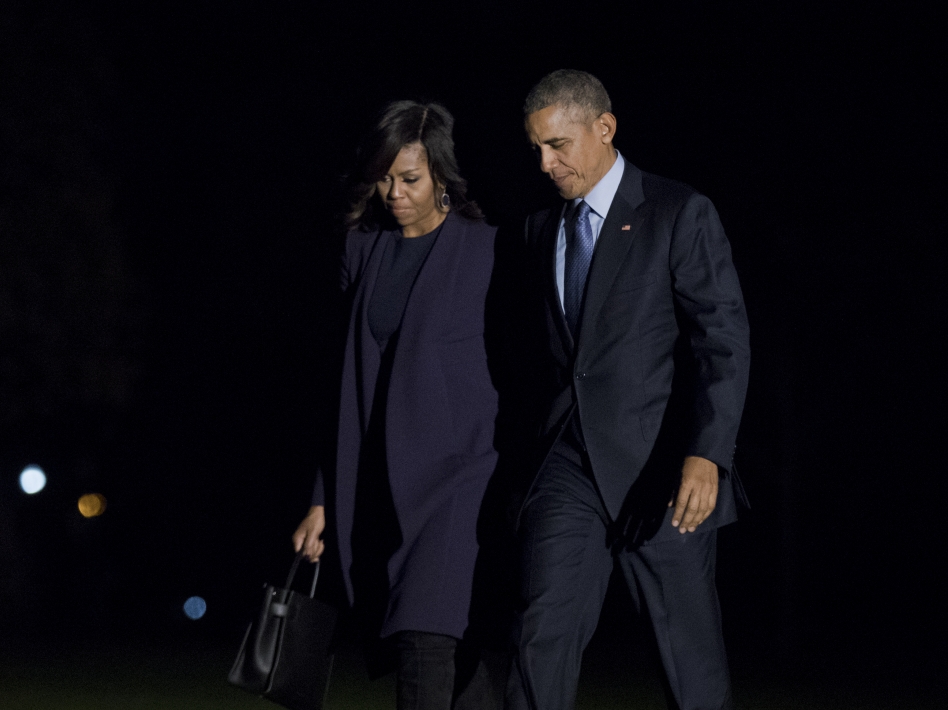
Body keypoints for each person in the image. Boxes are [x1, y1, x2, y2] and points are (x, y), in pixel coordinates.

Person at [506, 70, 751, 710]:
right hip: (566, 468)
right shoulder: (538, 228)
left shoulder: (678, 211)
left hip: (663, 471)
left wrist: (708, 454)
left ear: (605, 128)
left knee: (689, 666)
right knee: (539, 638)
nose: (545, 163)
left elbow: (721, 341)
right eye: (535, 148)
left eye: (558, 145)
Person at [292, 100, 501, 710]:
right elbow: (342, 383)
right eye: (383, 178)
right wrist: (321, 497)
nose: (393, 193)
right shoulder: (364, 252)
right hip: (380, 482)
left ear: (441, 174)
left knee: (425, 632)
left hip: (461, 479)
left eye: (409, 179)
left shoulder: (486, 251)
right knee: (445, 645)